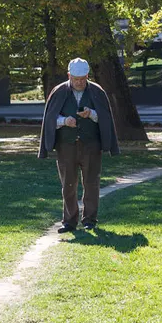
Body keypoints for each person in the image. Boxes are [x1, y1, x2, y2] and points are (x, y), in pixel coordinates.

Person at [39, 58, 120, 233]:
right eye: (76, 79)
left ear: (87, 76)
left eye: (83, 79)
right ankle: (69, 221)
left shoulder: (97, 91)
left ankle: (90, 219)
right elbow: (50, 118)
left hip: (91, 145)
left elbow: (105, 118)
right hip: (66, 146)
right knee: (68, 184)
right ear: (69, 76)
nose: (79, 82)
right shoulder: (59, 91)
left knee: (91, 183)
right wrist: (64, 121)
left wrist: (91, 114)